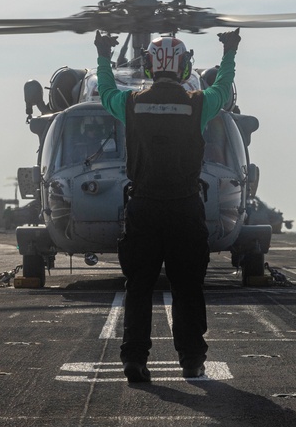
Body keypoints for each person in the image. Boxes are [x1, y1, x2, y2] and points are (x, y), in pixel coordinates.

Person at [95, 27, 240, 383]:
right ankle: (191, 360)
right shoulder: (198, 104)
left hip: (143, 207)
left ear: (148, 67)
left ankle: (134, 360)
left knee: (139, 286)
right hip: (185, 207)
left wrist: (101, 54)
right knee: (187, 286)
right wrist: (229, 52)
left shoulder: (130, 104)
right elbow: (222, 90)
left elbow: (106, 91)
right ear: (184, 67)